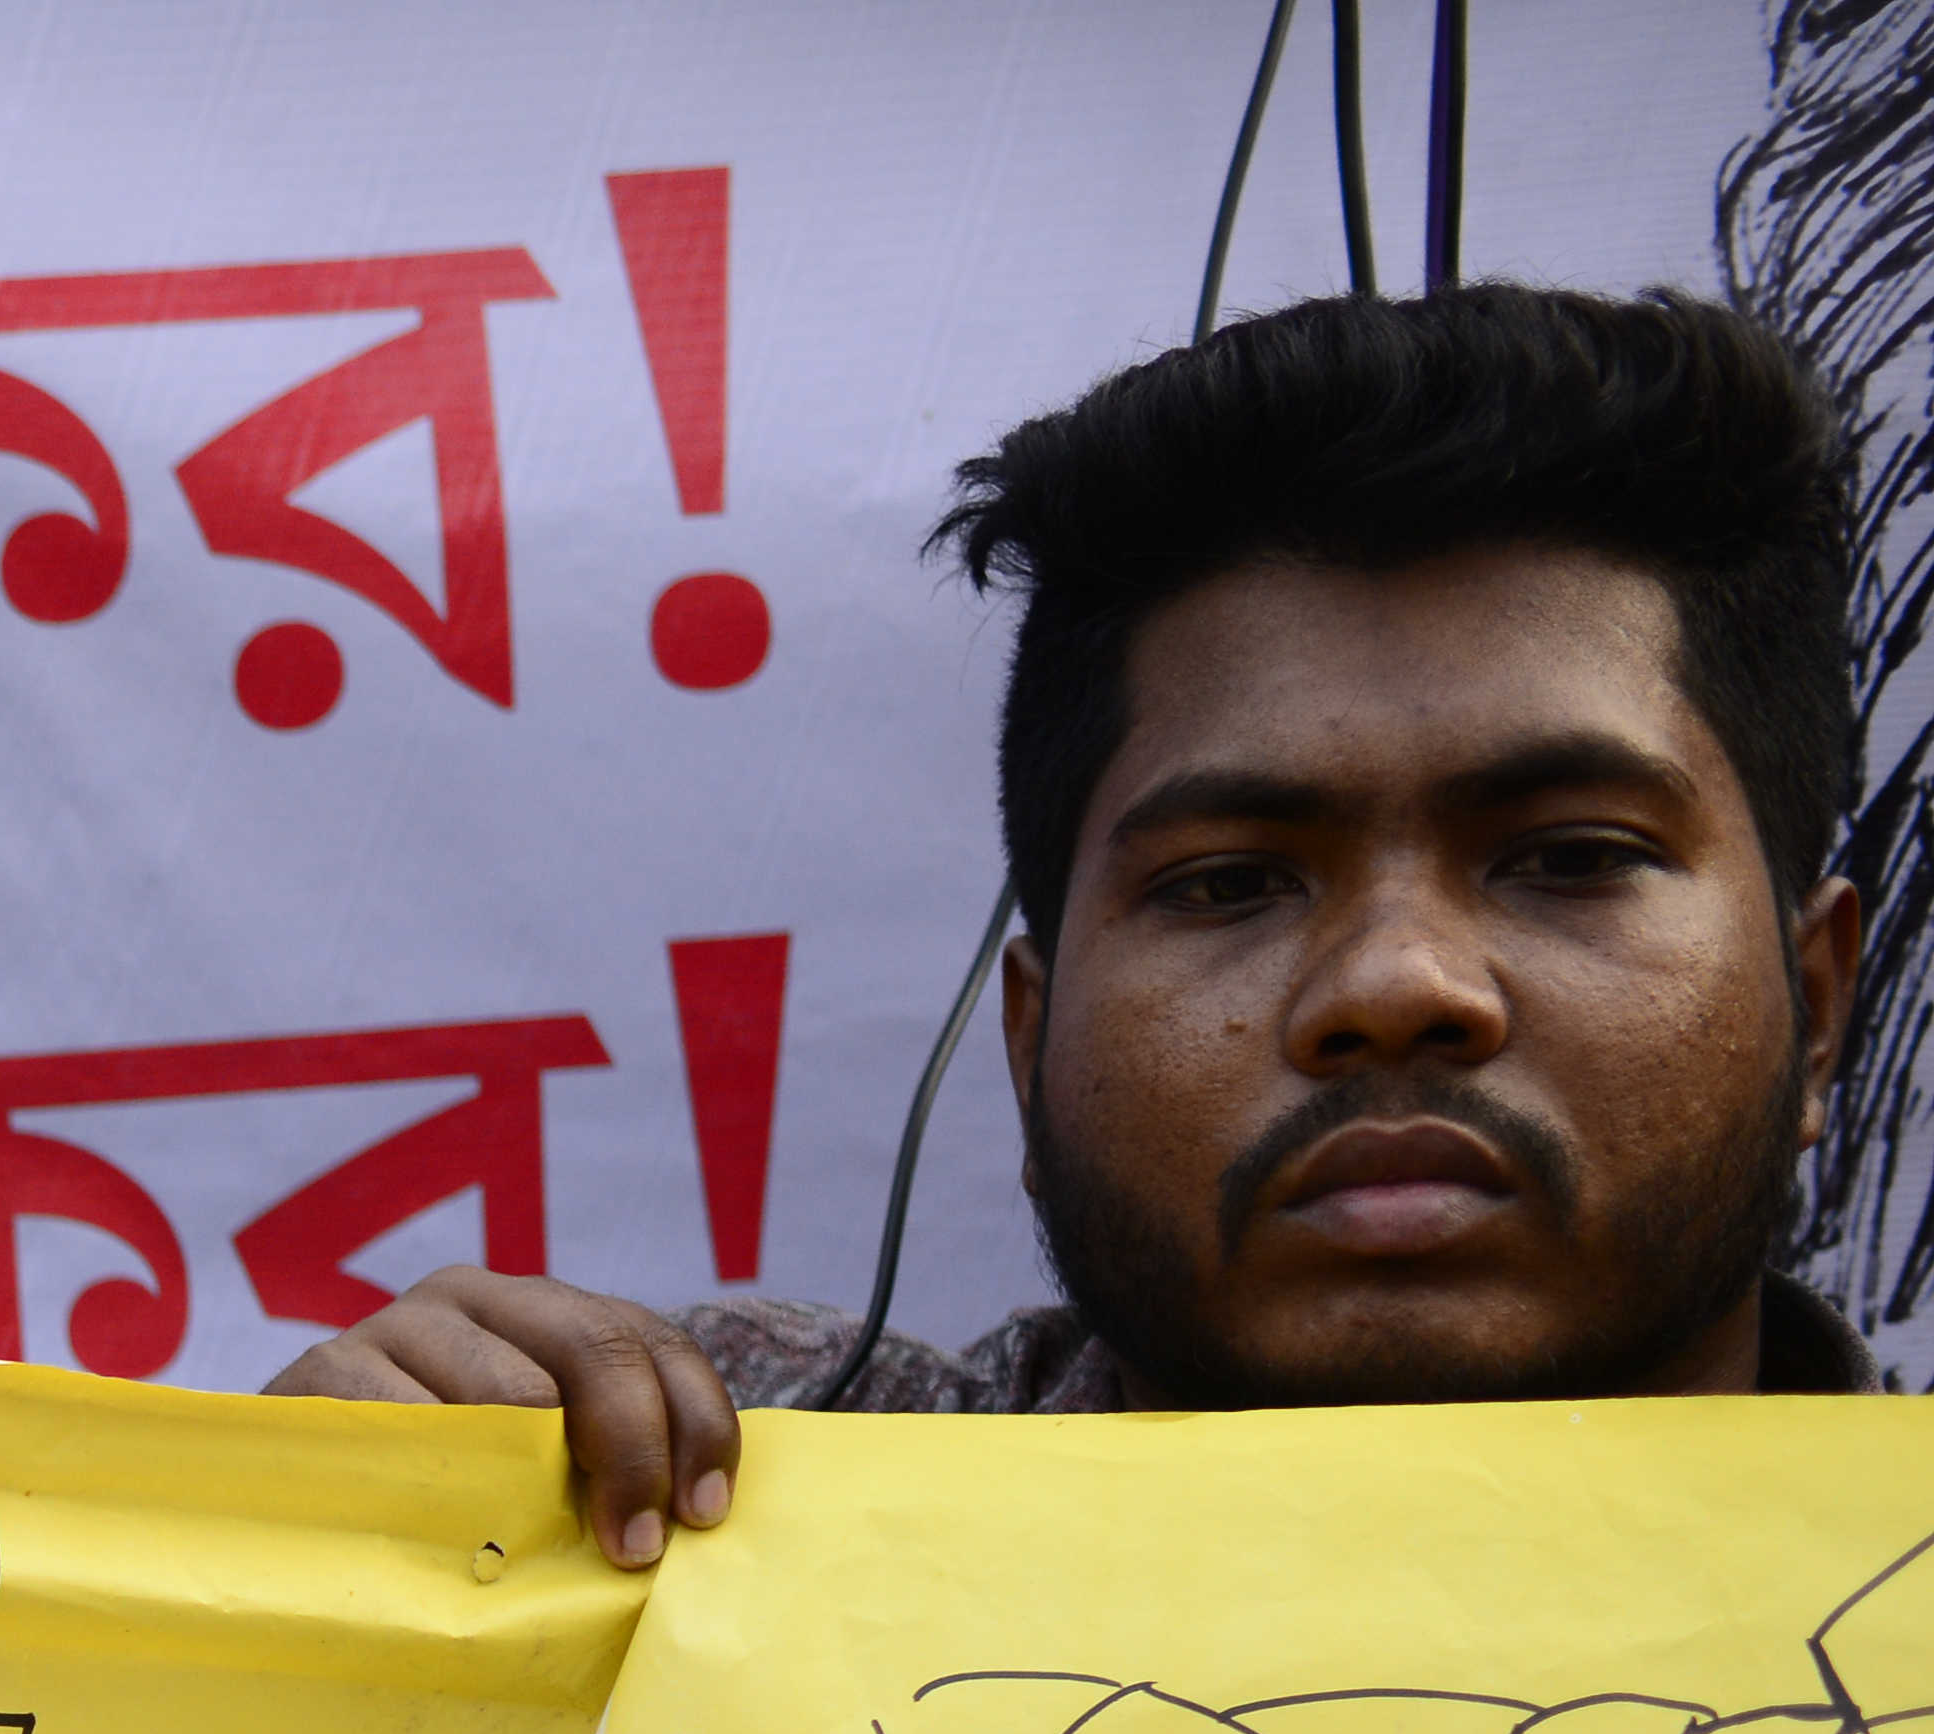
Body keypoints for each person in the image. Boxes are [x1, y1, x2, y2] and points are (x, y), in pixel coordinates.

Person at [275, 283, 1881, 1521]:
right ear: (1030, 1045)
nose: (1394, 982)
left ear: (1818, 1007)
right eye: (1230, 883)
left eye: (1572, 858)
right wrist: (286, 1597)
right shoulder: (671, 1484)